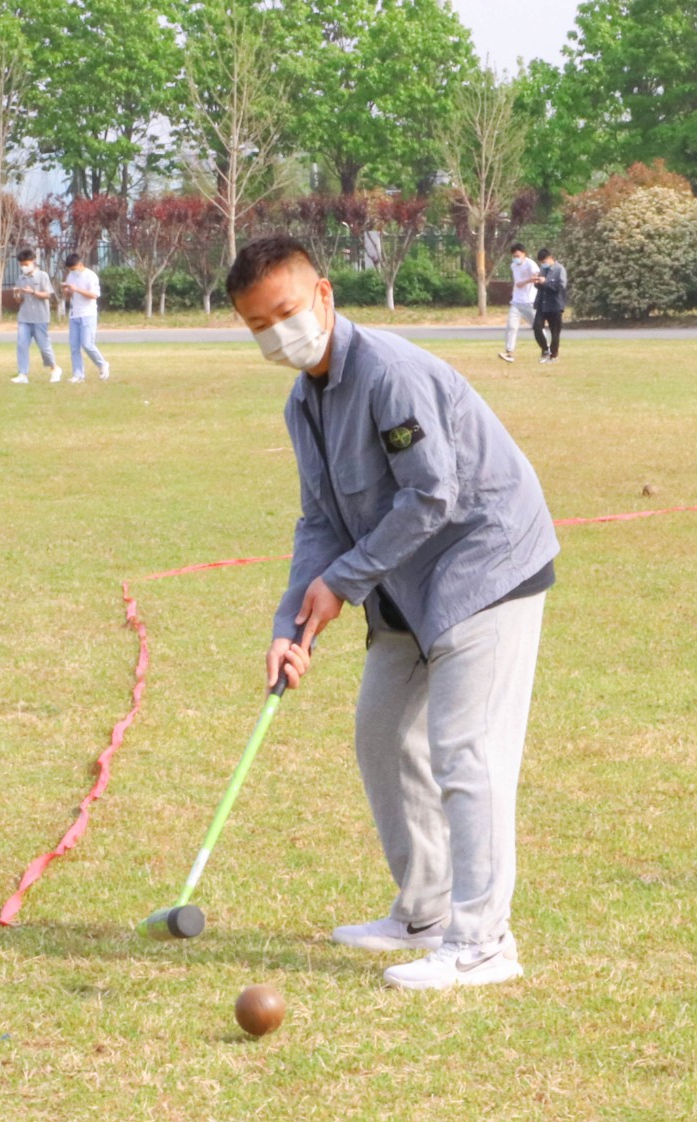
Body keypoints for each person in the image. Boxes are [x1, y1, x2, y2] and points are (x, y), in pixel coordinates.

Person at [228, 237, 558, 991]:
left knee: (465, 751)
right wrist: (292, 622)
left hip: (485, 564)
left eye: (285, 311)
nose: (278, 332)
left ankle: (482, 943)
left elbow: (433, 494)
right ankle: (424, 911)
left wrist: (343, 581)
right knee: (381, 735)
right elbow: (319, 520)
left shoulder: (389, 373)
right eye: (257, 325)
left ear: (324, 296)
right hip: (403, 585)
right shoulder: (302, 402)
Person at [10, 249, 61, 385]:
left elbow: (47, 295)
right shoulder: (21, 279)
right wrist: (16, 294)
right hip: (24, 317)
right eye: (21, 264)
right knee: (21, 345)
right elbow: (19, 300)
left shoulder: (42, 276)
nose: (24, 267)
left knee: (44, 347)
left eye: (26, 264)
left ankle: (54, 368)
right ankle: (23, 373)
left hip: (40, 317)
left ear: (32, 261)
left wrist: (33, 292)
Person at [61, 252, 110, 383]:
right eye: (70, 270)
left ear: (80, 264)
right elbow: (68, 295)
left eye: (73, 268)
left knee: (87, 344)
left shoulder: (90, 276)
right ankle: (78, 375)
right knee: (74, 346)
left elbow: (94, 295)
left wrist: (76, 289)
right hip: (74, 314)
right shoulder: (71, 276)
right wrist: (67, 291)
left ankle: (102, 364)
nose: (72, 271)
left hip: (88, 314)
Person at [497, 242, 538, 364]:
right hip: (516, 301)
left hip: (529, 301)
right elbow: (519, 283)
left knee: (537, 327)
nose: (516, 258)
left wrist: (530, 279)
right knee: (511, 326)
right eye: (514, 256)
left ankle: (548, 349)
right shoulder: (513, 266)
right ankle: (509, 352)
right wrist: (527, 280)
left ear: (524, 254)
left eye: (518, 255)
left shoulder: (531, 264)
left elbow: (535, 276)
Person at [530, 247, 567, 364]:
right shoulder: (542, 269)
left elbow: (560, 287)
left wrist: (545, 282)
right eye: (541, 262)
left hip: (555, 304)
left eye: (544, 261)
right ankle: (545, 349)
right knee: (537, 327)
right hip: (542, 303)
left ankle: (554, 355)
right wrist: (537, 282)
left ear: (550, 258)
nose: (543, 264)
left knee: (555, 331)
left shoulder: (559, 269)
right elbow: (540, 286)